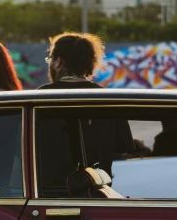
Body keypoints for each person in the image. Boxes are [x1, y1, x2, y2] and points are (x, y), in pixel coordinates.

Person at [38, 32, 134, 177]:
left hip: (48, 195)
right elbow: (124, 147)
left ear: (58, 61)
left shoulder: (41, 98)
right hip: (97, 191)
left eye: (50, 59)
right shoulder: (108, 99)